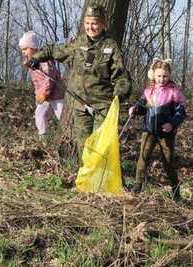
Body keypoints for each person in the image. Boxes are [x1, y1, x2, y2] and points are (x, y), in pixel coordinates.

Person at [26, 5, 131, 157]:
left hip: (102, 106)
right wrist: (36, 58)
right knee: (84, 148)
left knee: (99, 148)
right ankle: (86, 179)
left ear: (103, 24)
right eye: (87, 23)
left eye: (95, 23)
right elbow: (54, 50)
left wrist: (119, 96)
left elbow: (121, 76)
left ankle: (100, 179)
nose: (91, 27)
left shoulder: (111, 46)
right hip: (80, 105)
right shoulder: (78, 43)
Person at [128, 58, 187, 200]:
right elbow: (142, 108)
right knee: (142, 158)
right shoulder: (149, 92)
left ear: (170, 76)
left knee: (168, 163)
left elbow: (181, 113)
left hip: (166, 134)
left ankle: (176, 192)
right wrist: (135, 109)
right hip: (148, 131)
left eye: (165, 76)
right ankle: (137, 187)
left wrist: (171, 123)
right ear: (153, 75)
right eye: (159, 75)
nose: (162, 79)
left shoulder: (174, 92)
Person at [18, 31, 65, 141]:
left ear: (34, 47)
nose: (24, 52)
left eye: (26, 49)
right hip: (43, 96)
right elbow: (36, 82)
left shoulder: (44, 60)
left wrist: (44, 92)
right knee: (39, 114)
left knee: (62, 115)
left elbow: (49, 78)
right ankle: (43, 136)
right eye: (22, 50)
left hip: (56, 94)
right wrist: (38, 94)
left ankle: (68, 134)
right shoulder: (32, 63)